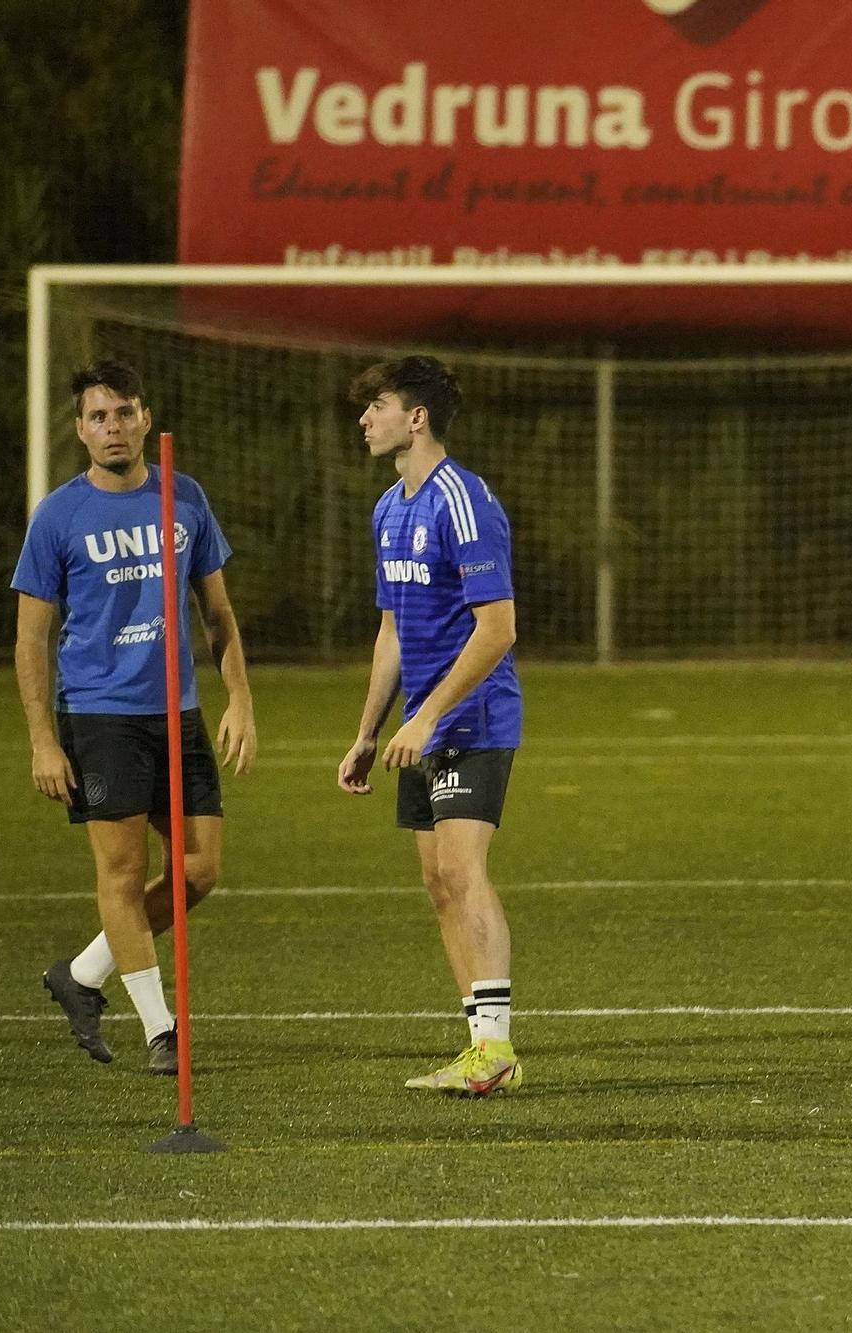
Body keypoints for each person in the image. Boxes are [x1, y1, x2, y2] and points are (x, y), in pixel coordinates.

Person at [15, 359, 257, 1075]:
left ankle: (83, 974)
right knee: (124, 872)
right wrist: (41, 740)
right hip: (100, 715)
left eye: (124, 413)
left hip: (177, 712)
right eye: (98, 416)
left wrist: (240, 695)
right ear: (80, 430)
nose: (112, 427)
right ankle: (162, 1029)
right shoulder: (60, 515)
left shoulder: (184, 497)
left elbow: (217, 612)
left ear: (145, 418)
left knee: (201, 870)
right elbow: (31, 636)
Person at [336, 355, 525, 1097]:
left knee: (461, 869)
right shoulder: (389, 509)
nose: (364, 418)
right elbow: (392, 630)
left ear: (415, 417)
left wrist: (430, 712)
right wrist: (368, 728)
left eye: (375, 405)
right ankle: (481, 1049)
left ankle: (497, 1050)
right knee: (437, 882)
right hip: (422, 724)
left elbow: (498, 628)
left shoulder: (464, 501)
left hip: (474, 718)